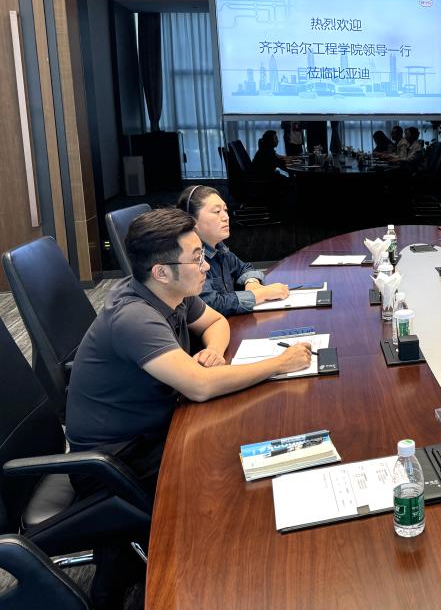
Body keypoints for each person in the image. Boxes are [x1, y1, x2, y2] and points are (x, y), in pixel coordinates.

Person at [64, 208, 310, 608]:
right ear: (161, 271)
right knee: (232, 467)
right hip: (117, 462)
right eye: (196, 258)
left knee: (245, 433)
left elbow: (216, 324)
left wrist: (214, 352)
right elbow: (199, 387)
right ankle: (208, 584)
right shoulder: (134, 317)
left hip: (155, 429)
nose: (206, 265)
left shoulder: (169, 292)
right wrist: (280, 363)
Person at [177, 185, 290, 315]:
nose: (226, 217)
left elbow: (245, 268)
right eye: (217, 211)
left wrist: (252, 283)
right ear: (192, 221)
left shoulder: (220, 249)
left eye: (225, 210)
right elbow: (210, 304)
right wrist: (260, 294)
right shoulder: (190, 259)